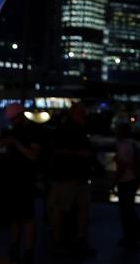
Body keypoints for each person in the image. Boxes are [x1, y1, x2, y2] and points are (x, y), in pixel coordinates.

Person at [47, 103, 96, 257]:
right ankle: (67, 240)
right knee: (66, 208)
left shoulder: (67, 129)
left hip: (72, 175)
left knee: (69, 208)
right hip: (69, 175)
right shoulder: (69, 130)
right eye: (81, 113)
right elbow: (56, 150)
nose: (84, 116)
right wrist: (79, 154)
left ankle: (64, 241)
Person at [0, 103, 42, 264]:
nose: (12, 121)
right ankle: (16, 247)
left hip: (25, 178)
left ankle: (26, 249)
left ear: (20, 115)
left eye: (13, 118)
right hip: (14, 178)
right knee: (16, 216)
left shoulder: (33, 131)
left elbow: (33, 156)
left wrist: (15, 144)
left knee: (26, 217)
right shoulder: (16, 130)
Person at [114, 122, 140, 248]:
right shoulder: (132, 144)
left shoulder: (123, 146)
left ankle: (131, 235)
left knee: (125, 210)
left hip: (126, 180)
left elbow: (122, 166)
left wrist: (115, 179)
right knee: (129, 208)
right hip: (134, 179)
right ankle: (136, 232)